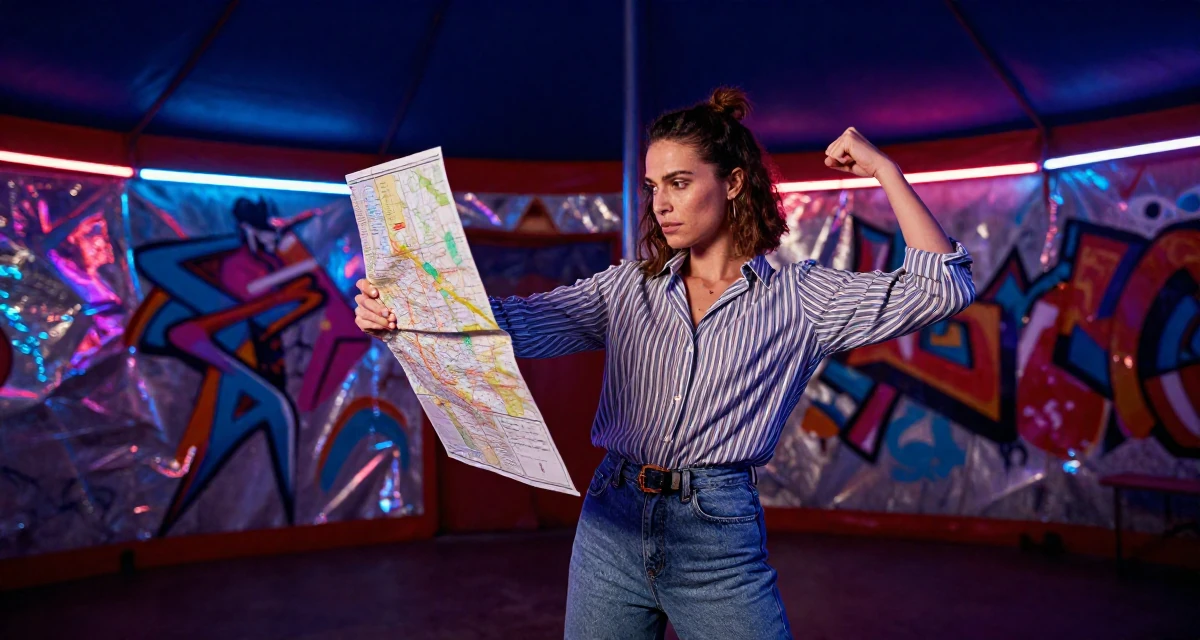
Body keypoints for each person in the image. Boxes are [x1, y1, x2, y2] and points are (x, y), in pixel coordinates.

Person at [353, 88, 975, 640]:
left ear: (732, 183)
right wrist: (402, 314)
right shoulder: (627, 289)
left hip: (717, 533)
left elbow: (940, 288)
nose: (660, 204)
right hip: (609, 521)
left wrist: (884, 169)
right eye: (653, 187)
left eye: (679, 182)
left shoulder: (801, 298)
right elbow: (511, 326)